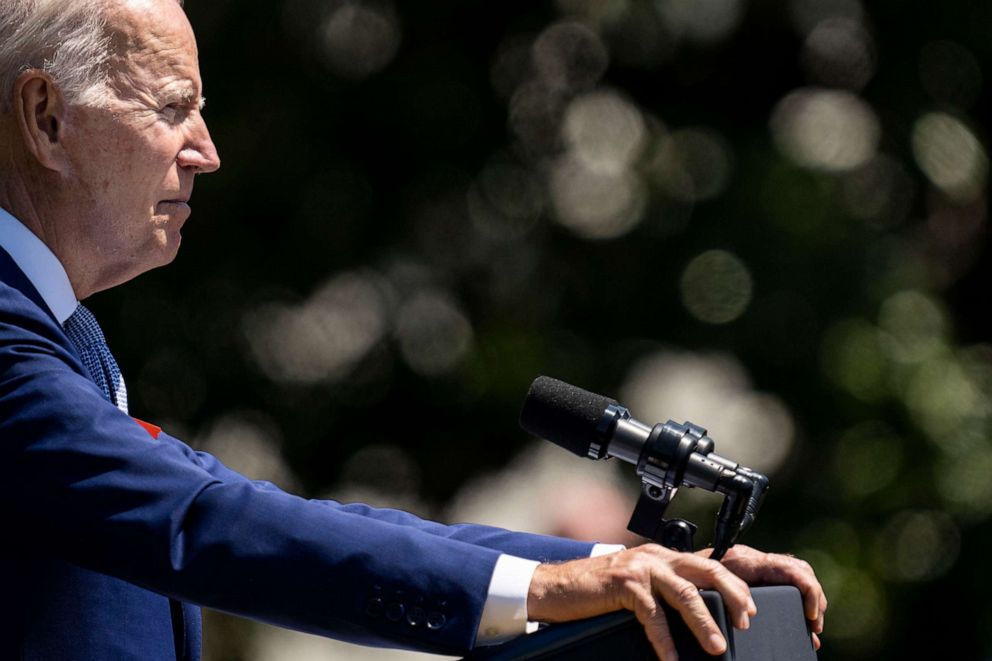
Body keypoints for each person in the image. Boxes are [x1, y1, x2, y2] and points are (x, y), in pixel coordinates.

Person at [0, 0, 827, 659]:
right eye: (172, 106)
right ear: (46, 119)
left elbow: (247, 506)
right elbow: (203, 519)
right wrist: (545, 589)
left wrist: (607, 568)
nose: (206, 151)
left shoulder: (55, 328)